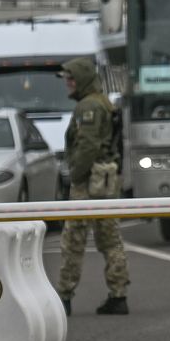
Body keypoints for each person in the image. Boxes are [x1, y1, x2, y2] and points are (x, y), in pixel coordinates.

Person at [55, 57, 129, 316]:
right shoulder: (103, 102)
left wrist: (75, 175)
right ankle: (118, 294)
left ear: (83, 79)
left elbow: (87, 146)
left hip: (89, 181)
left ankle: (64, 296)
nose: (68, 84)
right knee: (110, 238)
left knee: (73, 240)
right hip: (106, 179)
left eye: (71, 79)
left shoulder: (88, 107)